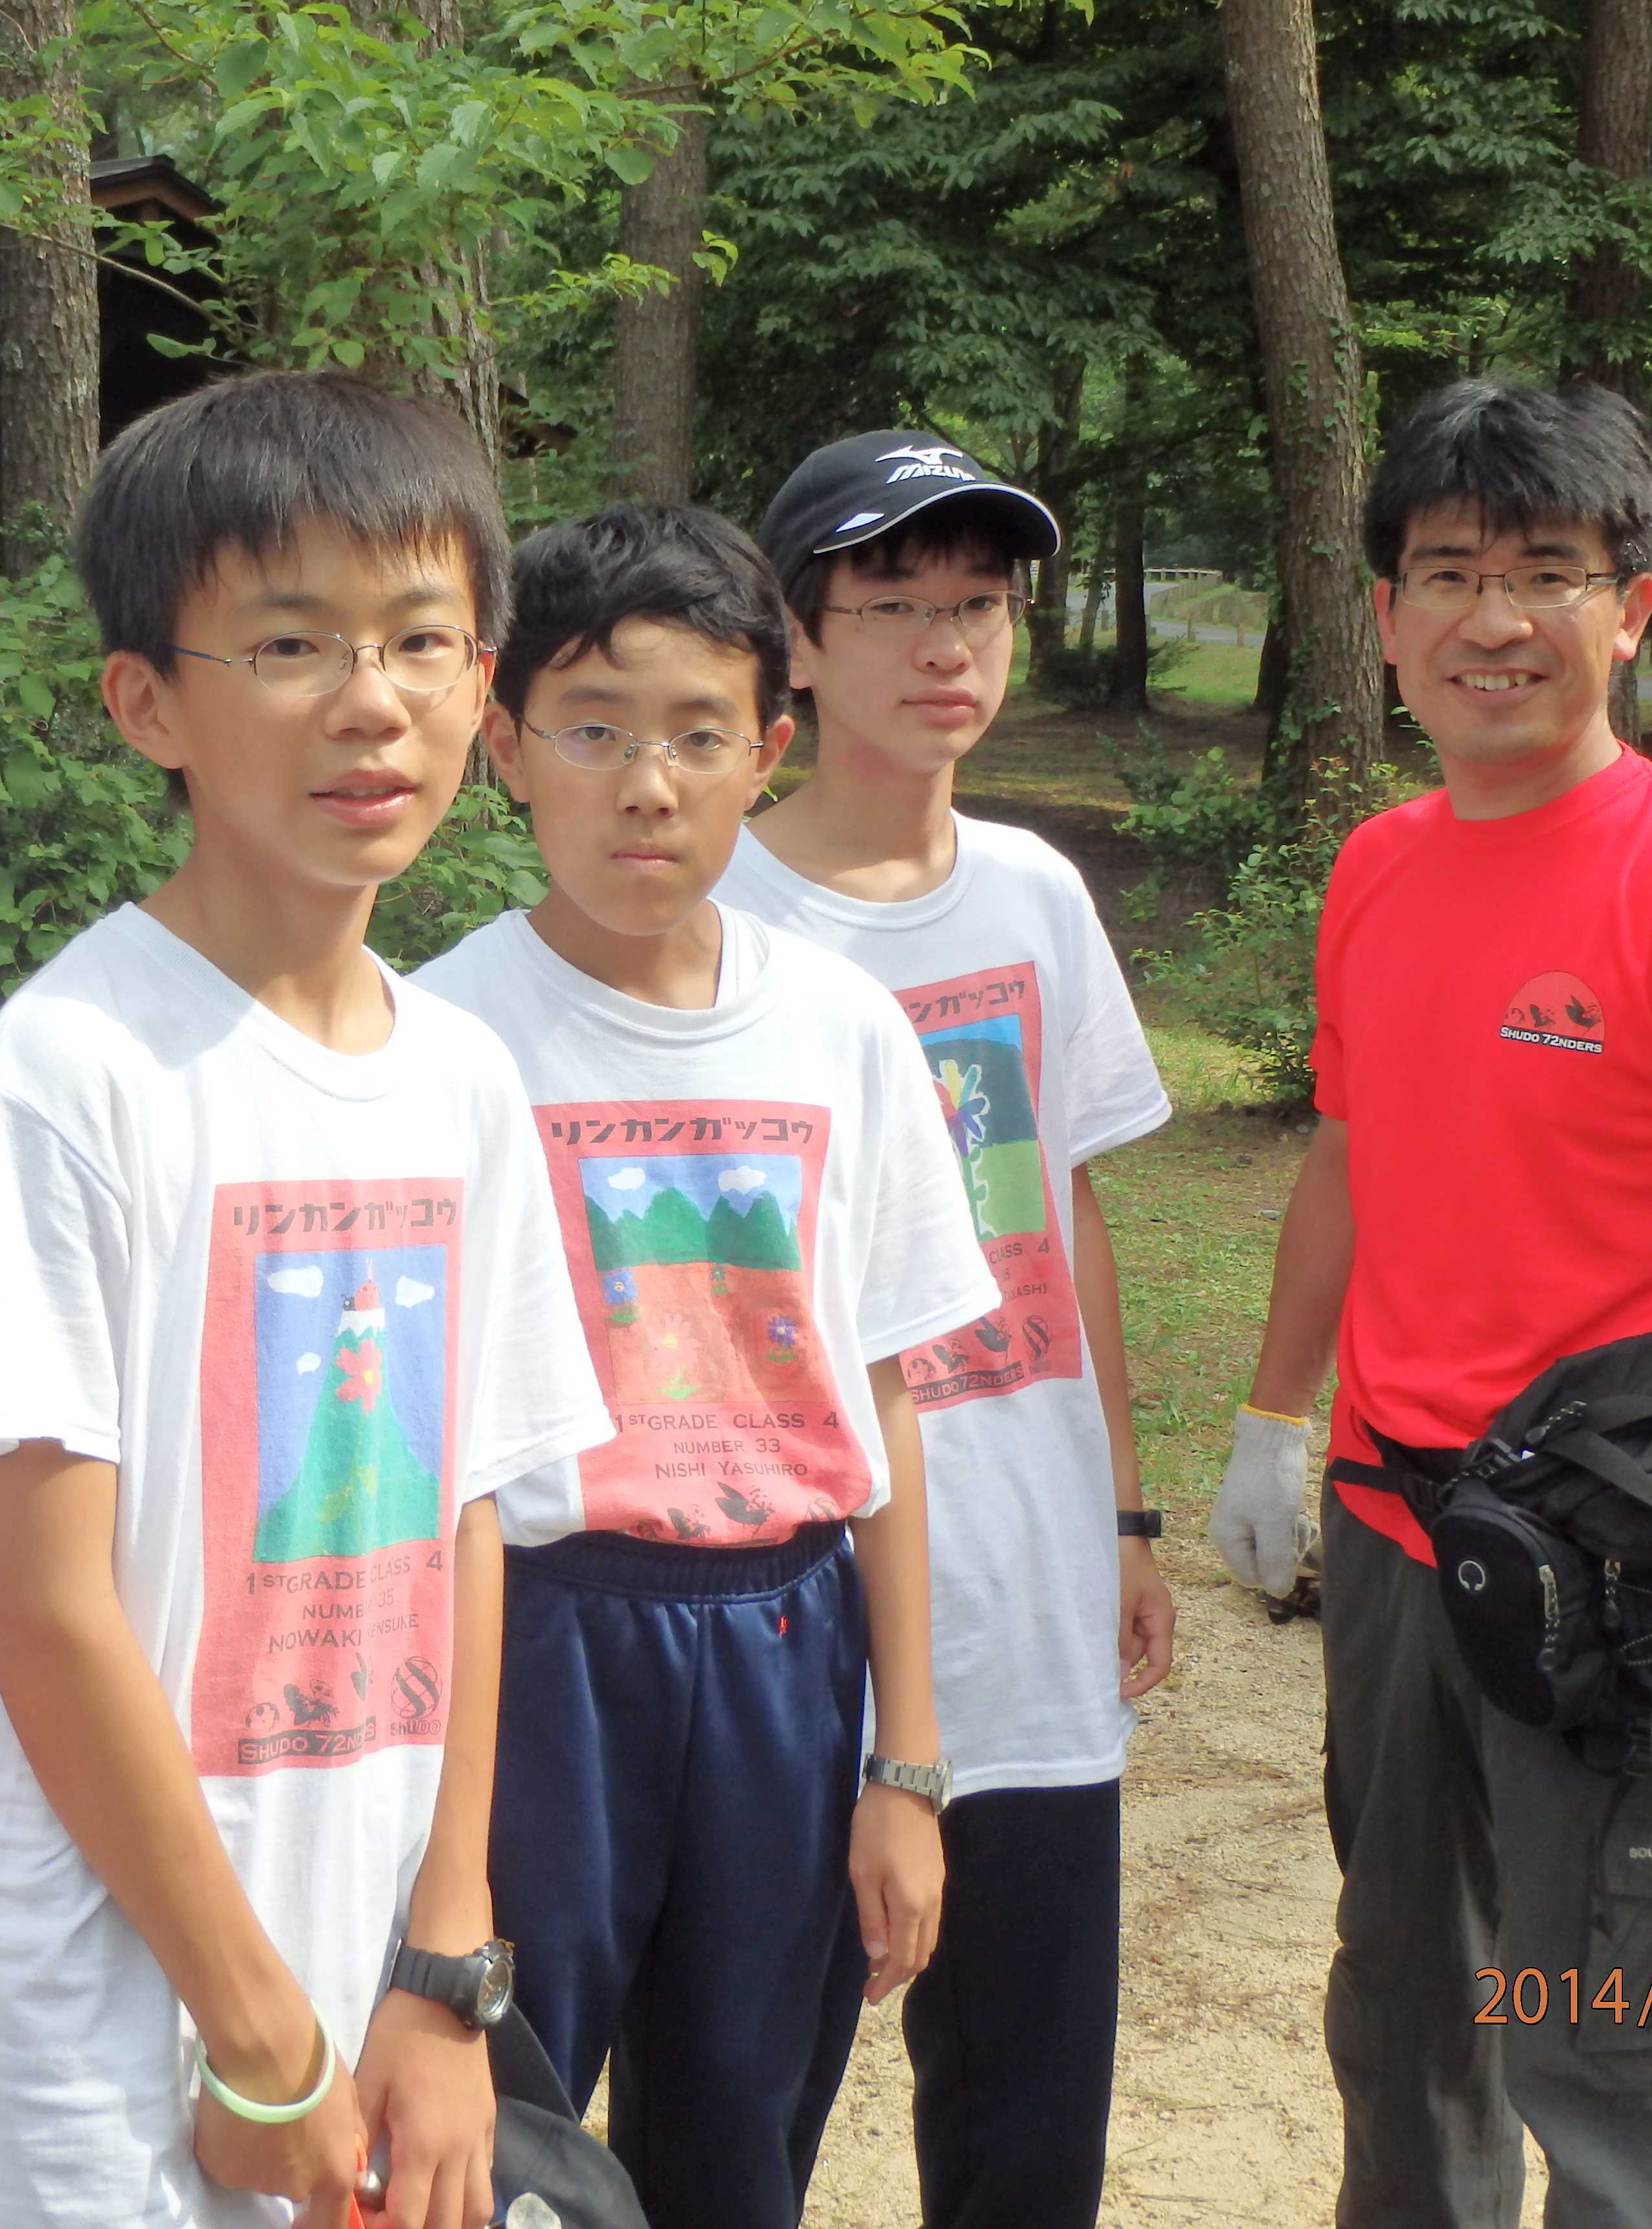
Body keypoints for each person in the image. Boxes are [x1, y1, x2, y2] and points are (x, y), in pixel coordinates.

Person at [0, 372, 611, 2229]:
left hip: (362, 1972)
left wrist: (444, 1972)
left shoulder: (463, 1077)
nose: (371, 701)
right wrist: (258, 2027)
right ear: (148, 704)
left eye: (420, 641)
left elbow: (467, 1522)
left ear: (482, 684)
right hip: (80, 2021)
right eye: (288, 644)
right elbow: (42, 1606)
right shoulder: (80, 1066)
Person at [1205, 381, 1652, 2228]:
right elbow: (1352, 1153)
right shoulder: (1379, 866)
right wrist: (1276, 1419)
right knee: (1405, 2008)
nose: (1493, 620)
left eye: (1548, 574)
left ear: (1632, 607)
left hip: (1628, 1572)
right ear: (1386, 613)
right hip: (1395, 1544)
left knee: (1621, 2056)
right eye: (1448, 573)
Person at [411, 502, 995, 2229]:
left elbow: (882, 1395)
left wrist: (906, 1766)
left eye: (696, 737)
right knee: (494, 2129)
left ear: (769, 752)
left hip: (782, 1645)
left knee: (741, 2134)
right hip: (535, 1639)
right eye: (593, 733)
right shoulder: (438, 1040)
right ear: (505, 745)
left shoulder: (842, 1032)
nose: (646, 788)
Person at [719, 433, 1175, 2229]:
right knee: (742, 2107)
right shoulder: (716, 907)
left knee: (1026, 2123)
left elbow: (1067, 1214)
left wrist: (1123, 1515)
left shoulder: (1037, 893)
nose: (945, 647)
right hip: (793, 1603)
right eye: (893, 604)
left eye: (979, 605)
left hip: (1029, 1587)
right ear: (795, 641)